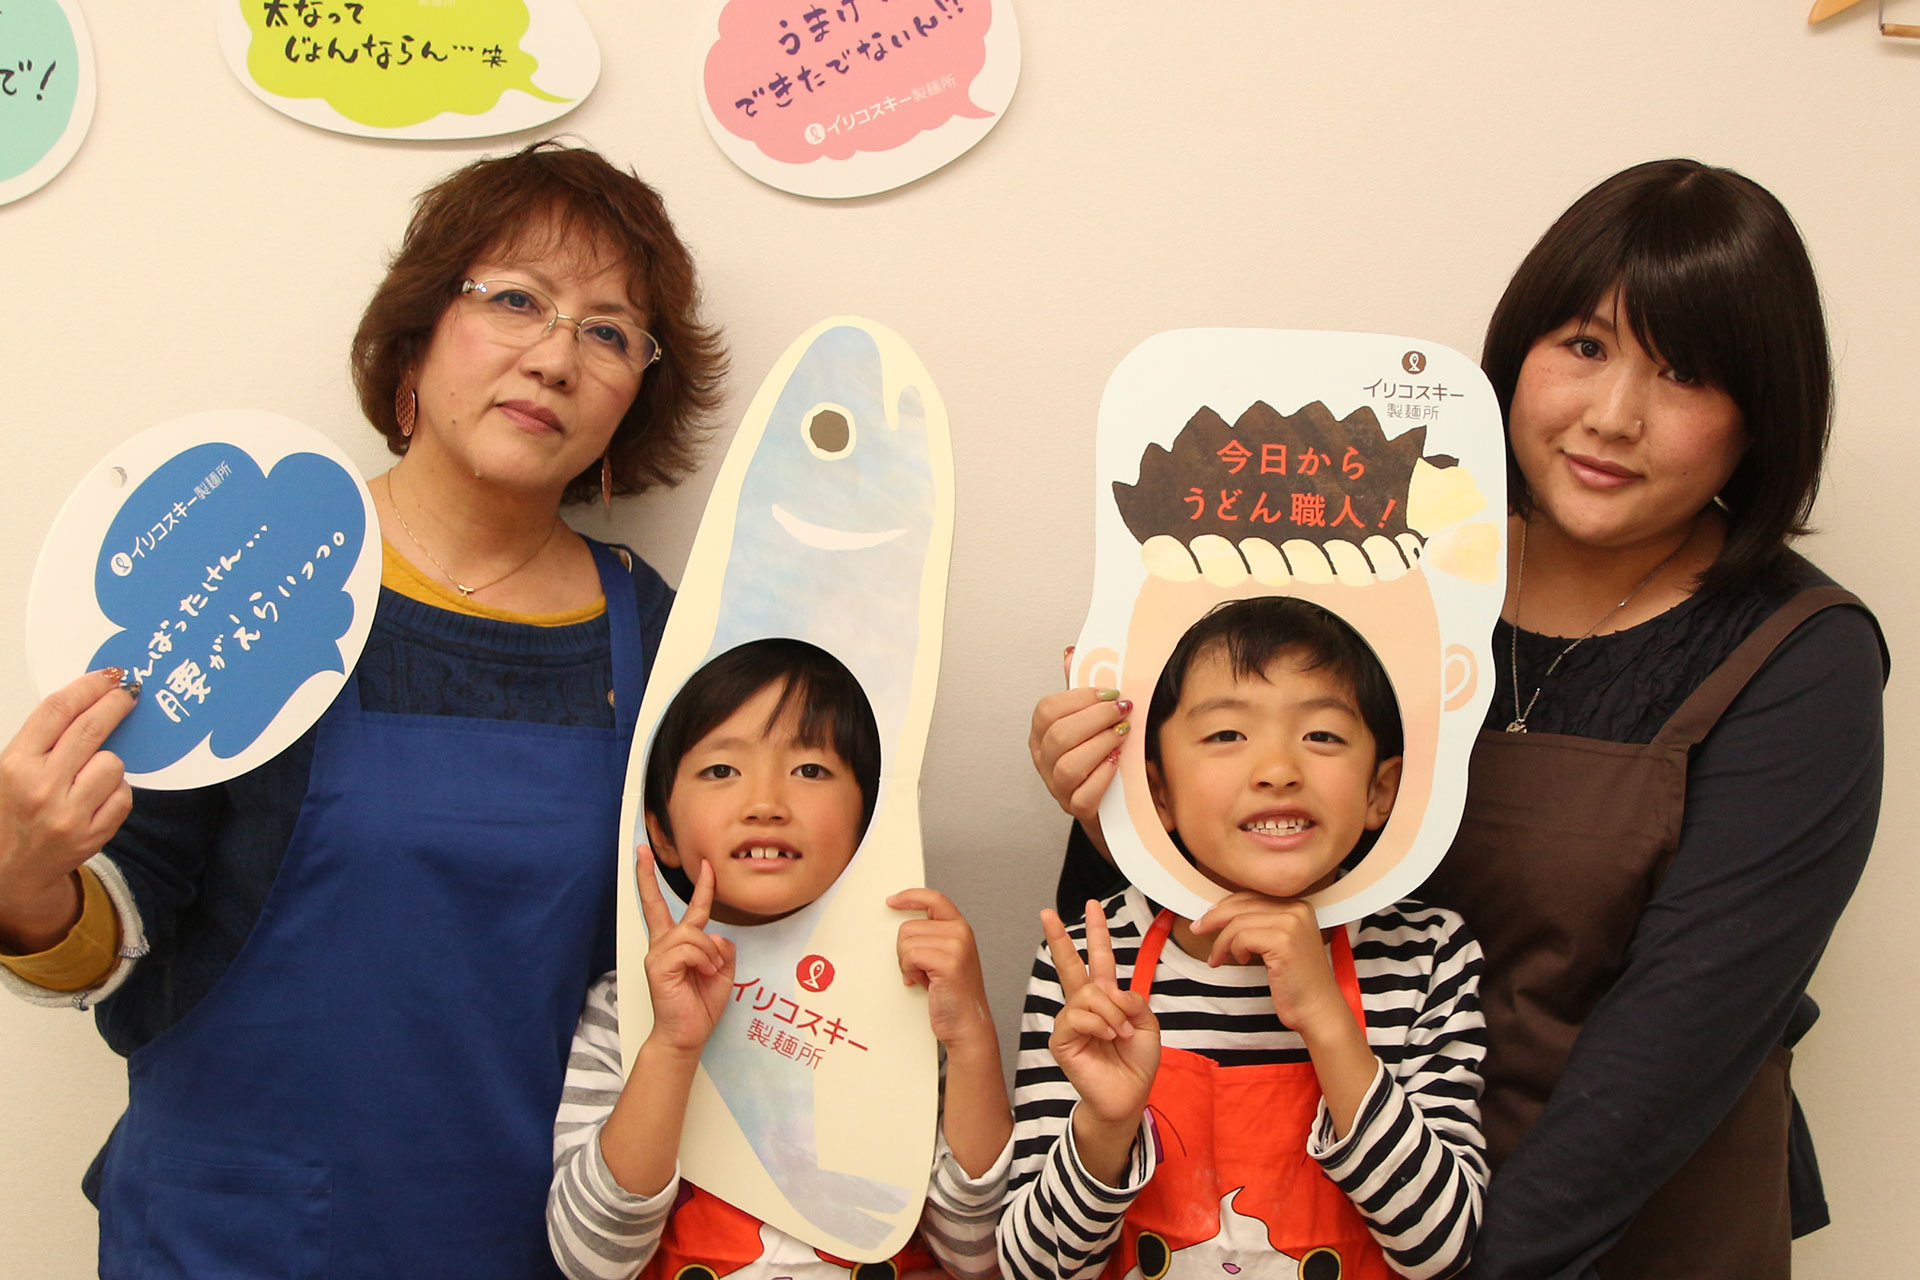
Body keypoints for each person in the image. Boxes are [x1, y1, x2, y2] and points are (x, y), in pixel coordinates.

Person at [1031, 159, 1887, 1280]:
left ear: (1759, 417)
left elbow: (1682, 1039)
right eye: (1584, 345)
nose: (1614, 416)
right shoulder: (1378, 563)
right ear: (1519, 349)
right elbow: (1185, 910)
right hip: (1316, 1210)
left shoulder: (1796, 654)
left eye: (1685, 373)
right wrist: (1109, 806)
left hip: (1625, 1226)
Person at [0, 141, 726, 1277]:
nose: (554, 357)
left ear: (637, 394)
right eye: (516, 299)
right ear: (418, 338)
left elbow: (714, 930)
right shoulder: (260, 570)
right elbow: (116, 928)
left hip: (521, 1239)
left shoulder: (659, 636)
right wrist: (23, 879)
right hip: (222, 1237)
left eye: (608, 331)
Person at [1001, 597, 1486, 1280]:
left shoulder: (1427, 954)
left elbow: (1442, 1250)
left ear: (1382, 791)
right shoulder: (1089, 961)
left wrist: (1327, 1019)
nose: (1278, 769)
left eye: (1322, 735)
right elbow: (1031, 1269)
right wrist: (1105, 1127)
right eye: (1227, 734)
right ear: (1156, 792)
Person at [548, 638, 1012, 1280]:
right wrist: (671, 1048)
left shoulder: (914, 995)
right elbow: (589, 1261)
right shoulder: (625, 1004)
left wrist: (972, 1038)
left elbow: (976, 1253)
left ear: (871, 820)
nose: (765, 802)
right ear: (660, 831)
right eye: (721, 770)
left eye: (810, 770)